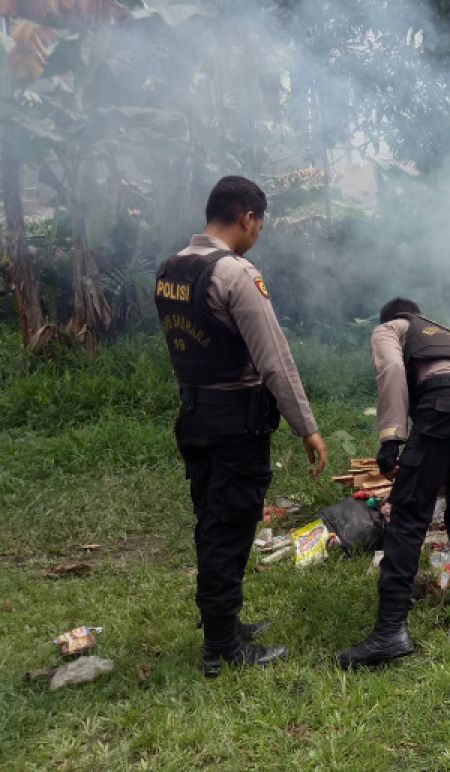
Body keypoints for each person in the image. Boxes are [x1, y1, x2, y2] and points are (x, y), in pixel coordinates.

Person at [155, 175, 328, 676]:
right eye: (259, 225)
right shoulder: (234, 274)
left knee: (212, 519)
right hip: (236, 424)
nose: (258, 235)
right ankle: (223, 649)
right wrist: (306, 427)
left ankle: (223, 625)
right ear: (246, 217)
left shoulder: (172, 269)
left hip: (195, 414)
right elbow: (275, 361)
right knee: (229, 526)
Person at [336, 297, 450, 669]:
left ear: (391, 318)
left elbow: (392, 371)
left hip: (447, 404)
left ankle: (390, 631)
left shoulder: (390, 328)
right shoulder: (448, 333)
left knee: (411, 508)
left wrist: (392, 436)